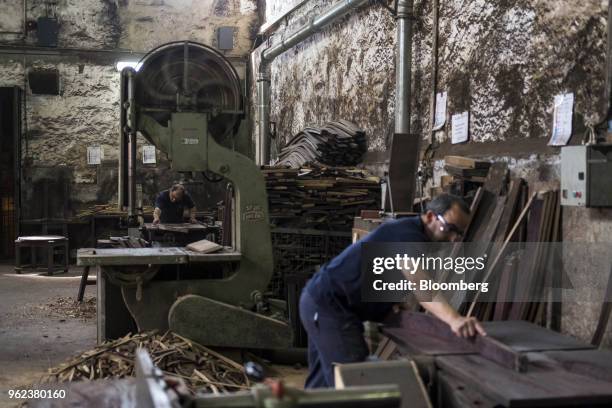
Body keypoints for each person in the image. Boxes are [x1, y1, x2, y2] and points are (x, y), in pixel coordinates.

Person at [299, 193, 486, 388]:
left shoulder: (410, 237)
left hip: (321, 303)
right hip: (330, 306)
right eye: (450, 229)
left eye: (459, 234)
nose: (453, 239)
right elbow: (419, 283)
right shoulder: (408, 235)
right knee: (354, 379)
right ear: (430, 216)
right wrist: (454, 319)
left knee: (323, 381)